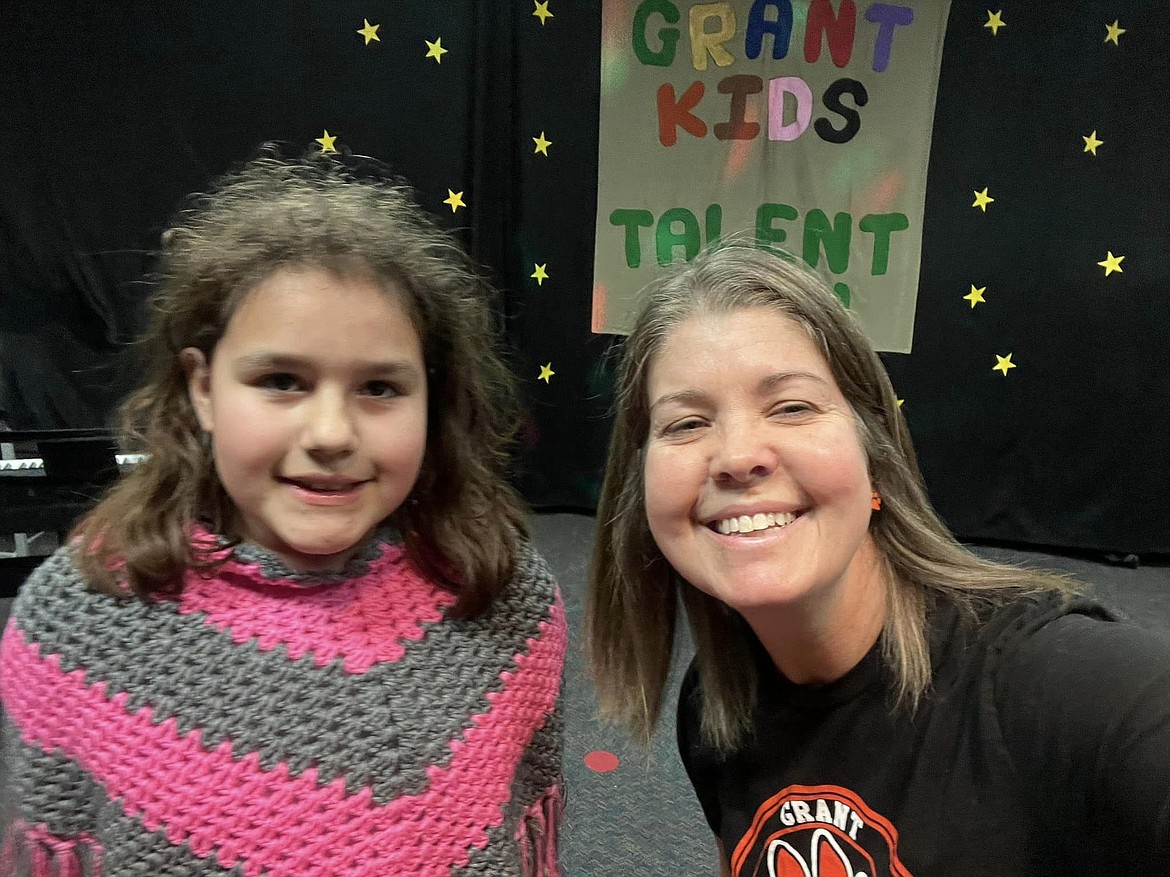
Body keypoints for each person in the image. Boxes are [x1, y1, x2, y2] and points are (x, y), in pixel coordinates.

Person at [0, 149, 566, 877]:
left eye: (380, 388)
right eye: (281, 380)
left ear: (434, 396)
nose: (330, 433)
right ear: (202, 387)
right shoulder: (81, 621)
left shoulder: (505, 599)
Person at [586, 242, 1170, 876]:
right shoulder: (714, 706)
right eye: (686, 423)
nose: (736, 455)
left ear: (877, 466)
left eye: (792, 407)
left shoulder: (1058, 687)